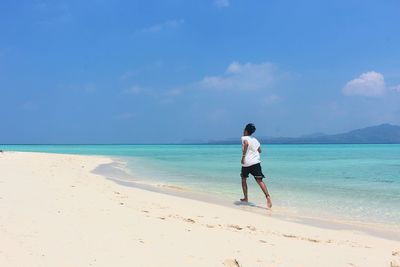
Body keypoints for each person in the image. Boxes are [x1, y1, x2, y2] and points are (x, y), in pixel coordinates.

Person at [240, 123, 272, 209]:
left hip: (246, 163)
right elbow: (260, 150)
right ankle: (267, 196)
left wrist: (243, 157)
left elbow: (246, 144)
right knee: (259, 180)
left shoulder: (244, 138)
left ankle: (246, 198)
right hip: (256, 163)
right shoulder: (255, 140)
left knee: (243, 179)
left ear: (246, 131)